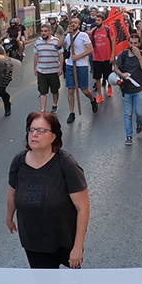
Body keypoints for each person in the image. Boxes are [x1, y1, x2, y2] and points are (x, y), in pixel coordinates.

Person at [7, 112, 89, 269]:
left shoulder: (66, 164)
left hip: (65, 241)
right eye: (31, 130)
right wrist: (9, 216)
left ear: (53, 137)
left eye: (41, 130)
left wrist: (78, 248)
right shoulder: (19, 162)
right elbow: (12, 193)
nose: (34, 134)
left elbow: (83, 207)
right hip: (34, 244)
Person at [114, 33, 142, 146]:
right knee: (128, 114)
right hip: (126, 89)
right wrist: (121, 74)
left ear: (139, 43)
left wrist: (139, 56)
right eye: (131, 43)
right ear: (128, 43)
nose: (133, 45)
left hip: (139, 89)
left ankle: (139, 124)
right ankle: (128, 136)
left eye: (135, 43)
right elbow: (115, 67)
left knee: (139, 113)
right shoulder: (123, 55)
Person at [63, 17, 98, 124]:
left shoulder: (83, 35)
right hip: (70, 65)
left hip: (82, 65)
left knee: (84, 90)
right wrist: (65, 33)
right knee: (71, 90)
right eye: (72, 22)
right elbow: (59, 45)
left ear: (79, 25)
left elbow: (90, 49)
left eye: (75, 23)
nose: (73, 24)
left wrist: (78, 57)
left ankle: (92, 100)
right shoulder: (68, 36)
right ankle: (72, 112)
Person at [34, 24, 63, 114]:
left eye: (45, 31)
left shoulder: (56, 41)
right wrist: (35, 67)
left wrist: (61, 67)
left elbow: (61, 55)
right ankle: (43, 110)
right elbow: (36, 55)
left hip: (53, 71)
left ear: (50, 31)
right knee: (42, 91)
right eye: (42, 31)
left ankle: (54, 104)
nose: (43, 33)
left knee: (55, 90)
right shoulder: (38, 42)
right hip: (42, 71)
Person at [88, 12, 116, 104]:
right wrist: (90, 33)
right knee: (97, 77)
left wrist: (112, 55)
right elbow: (89, 41)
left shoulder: (108, 30)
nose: (96, 22)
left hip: (107, 57)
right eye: (96, 20)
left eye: (98, 20)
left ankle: (109, 87)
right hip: (96, 57)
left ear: (103, 21)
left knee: (108, 76)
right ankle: (100, 95)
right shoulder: (94, 31)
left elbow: (113, 42)